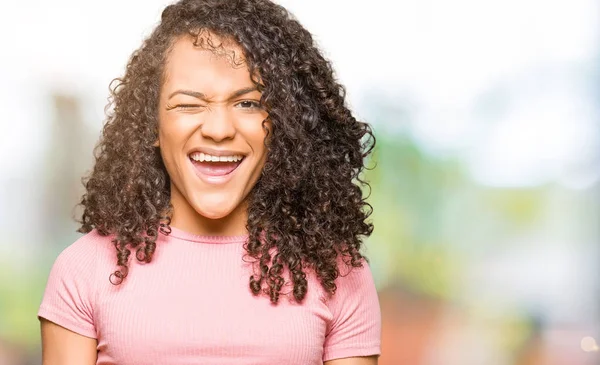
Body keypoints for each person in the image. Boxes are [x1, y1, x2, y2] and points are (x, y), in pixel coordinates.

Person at [38, 0, 381, 364]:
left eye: (248, 104)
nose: (219, 130)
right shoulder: (84, 269)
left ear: (283, 124)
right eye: (188, 104)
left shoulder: (337, 273)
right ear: (152, 126)